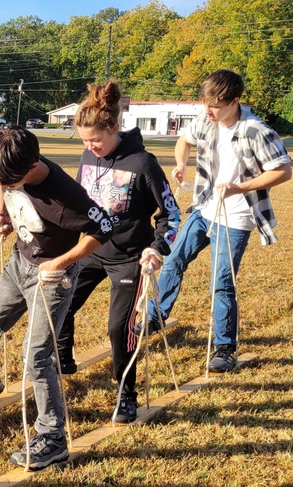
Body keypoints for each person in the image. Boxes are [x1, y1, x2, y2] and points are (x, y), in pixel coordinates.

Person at [0, 124, 113, 469]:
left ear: (31, 165)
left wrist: (61, 261)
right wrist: (2, 215)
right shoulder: (9, 167)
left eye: (10, 179)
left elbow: (103, 229)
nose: (4, 184)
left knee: (36, 358)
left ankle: (53, 438)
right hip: (19, 264)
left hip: (53, 278)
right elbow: (2, 181)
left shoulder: (65, 195)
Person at [141, 69, 292, 372]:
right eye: (205, 103)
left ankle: (225, 347)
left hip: (236, 217)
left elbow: (283, 171)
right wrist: (181, 164)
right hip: (203, 208)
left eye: (215, 105)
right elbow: (184, 141)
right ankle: (155, 316)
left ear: (235, 101)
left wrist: (241, 187)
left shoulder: (256, 130)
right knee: (172, 260)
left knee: (221, 283)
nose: (208, 111)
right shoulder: (205, 120)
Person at [55, 80, 181, 424]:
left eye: (96, 139)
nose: (90, 147)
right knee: (60, 303)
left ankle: (126, 395)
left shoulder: (143, 163)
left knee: (118, 328)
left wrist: (157, 249)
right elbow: (81, 204)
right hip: (91, 249)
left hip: (130, 259)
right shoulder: (86, 157)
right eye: (84, 141)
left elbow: (171, 213)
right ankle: (63, 359)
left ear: (114, 128)